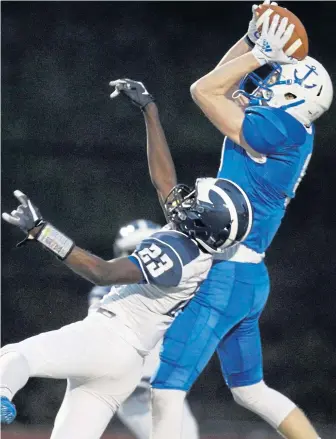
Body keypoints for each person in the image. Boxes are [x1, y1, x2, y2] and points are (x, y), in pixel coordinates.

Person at [109, 3, 333, 439]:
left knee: (166, 390)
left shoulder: (277, 130)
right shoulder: (292, 128)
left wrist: (259, 52)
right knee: (251, 390)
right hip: (247, 274)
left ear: (291, 95)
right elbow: (220, 84)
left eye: (277, 75)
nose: (266, 77)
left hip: (226, 273)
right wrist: (251, 41)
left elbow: (202, 90)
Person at [0, 95, 253, 438]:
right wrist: (150, 110)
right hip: (126, 364)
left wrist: (42, 232)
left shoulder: (177, 249)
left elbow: (101, 272)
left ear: (204, 222)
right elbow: (165, 182)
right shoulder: (201, 246)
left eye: (198, 204)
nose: (188, 201)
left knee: (14, 357)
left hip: (107, 338)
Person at [88, 219, 199, 439]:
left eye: (147, 250)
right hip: (134, 385)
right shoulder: (110, 292)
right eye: (134, 251)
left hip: (162, 384)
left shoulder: (178, 286)